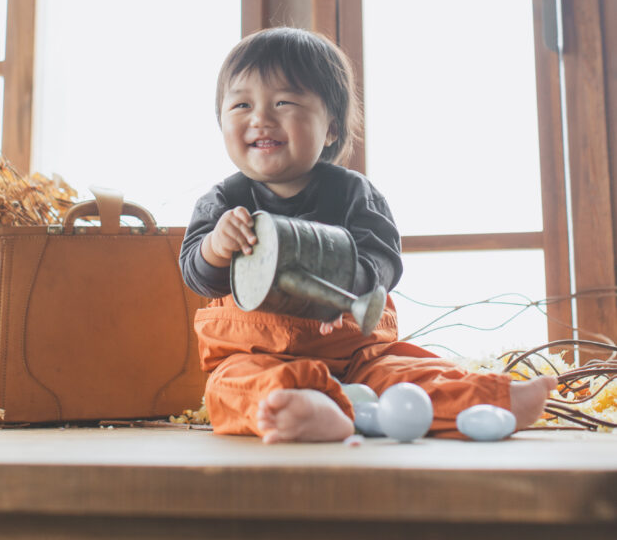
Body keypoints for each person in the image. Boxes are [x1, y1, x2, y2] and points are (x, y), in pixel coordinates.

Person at [179, 26, 556, 443]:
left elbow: (383, 261)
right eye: (241, 104)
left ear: (332, 129)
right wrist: (215, 246)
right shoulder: (223, 202)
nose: (261, 117)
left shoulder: (352, 192)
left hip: (355, 349)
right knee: (231, 386)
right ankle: (304, 407)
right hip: (256, 352)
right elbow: (198, 276)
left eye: (284, 102)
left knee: (408, 375)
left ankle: (492, 399)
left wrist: (343, 291)